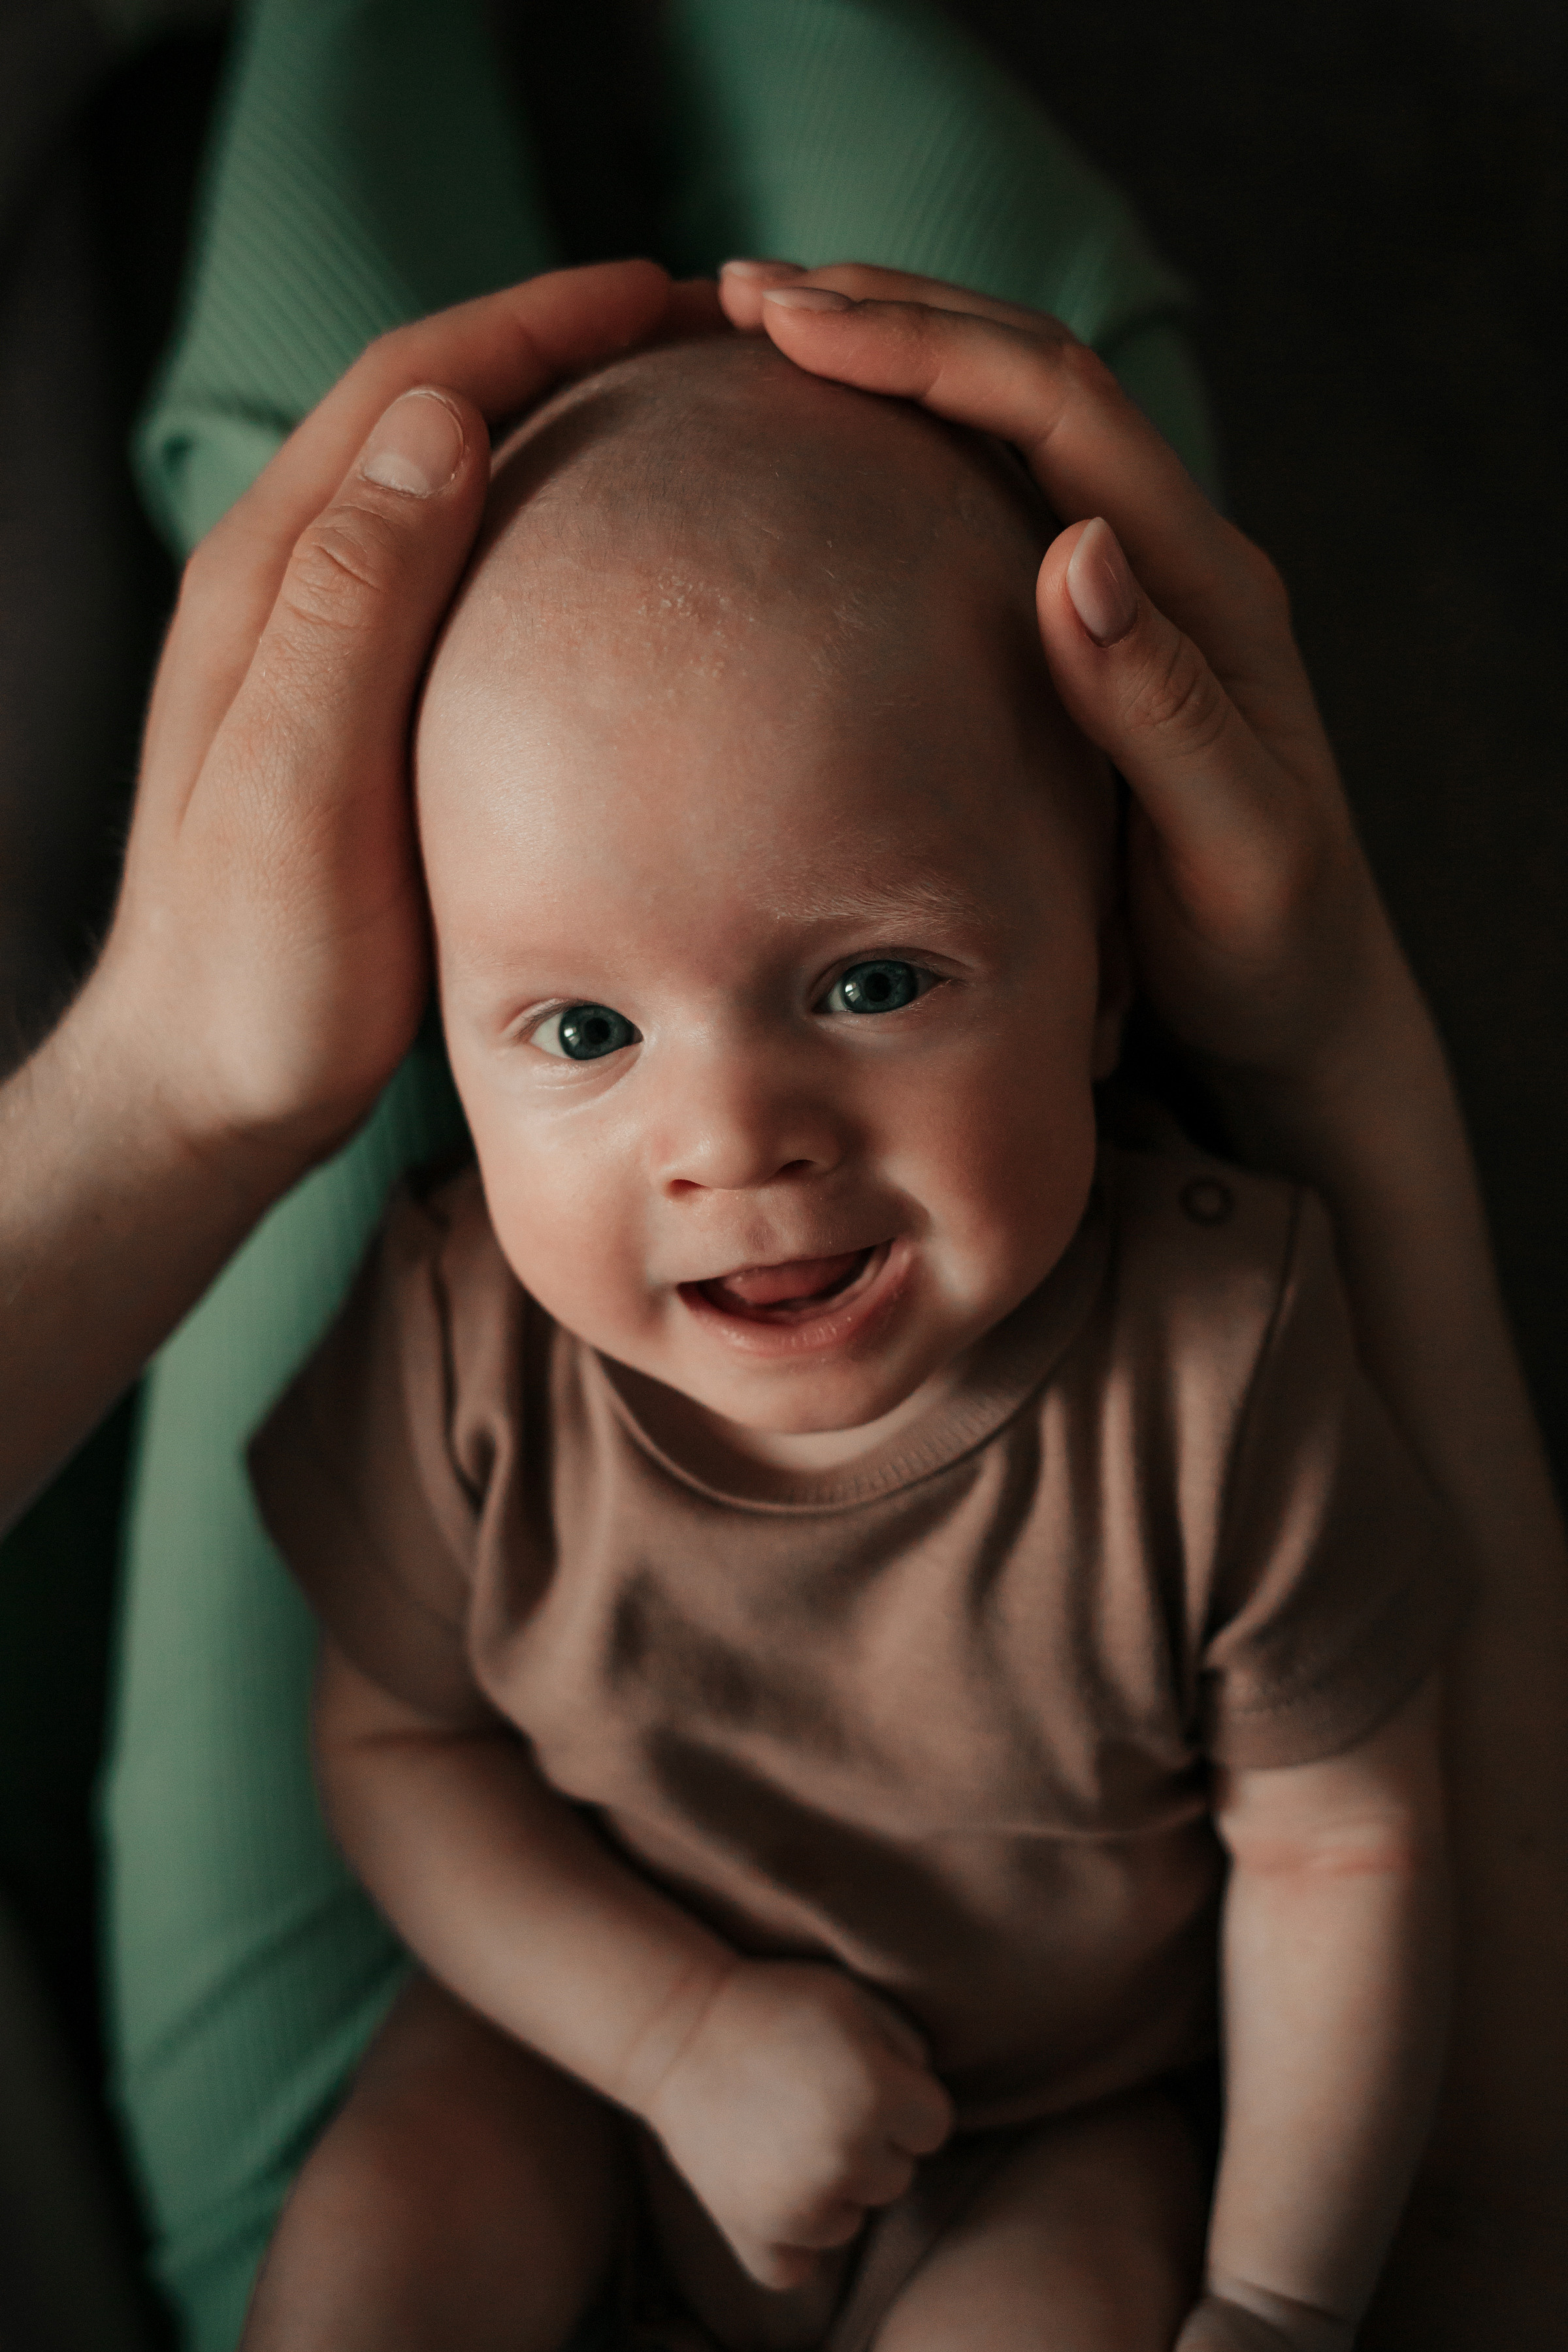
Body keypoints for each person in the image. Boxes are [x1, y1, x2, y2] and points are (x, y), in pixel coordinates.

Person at [238, 322, 1462, 2352]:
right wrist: (673, 2028)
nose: (729, 1138)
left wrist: (1272, 2300)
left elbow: (1347, 1845)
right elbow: (390, 1749)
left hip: (1046, 2127)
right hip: (581, 2056)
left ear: (1099, 985)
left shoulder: (1215, 1371)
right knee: (384, 2251)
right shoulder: (473, 1349)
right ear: (445, 1051)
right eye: (581, 1033)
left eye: (876, 981)